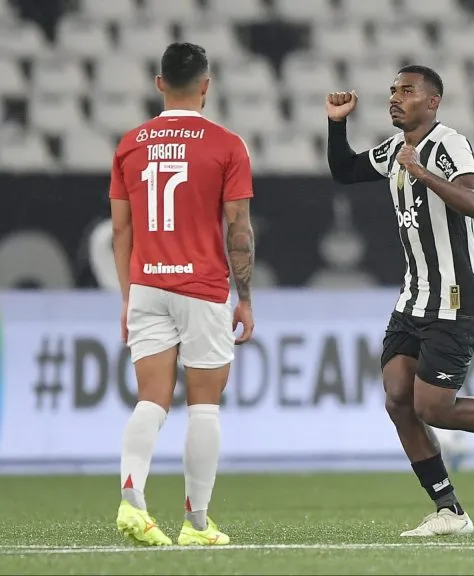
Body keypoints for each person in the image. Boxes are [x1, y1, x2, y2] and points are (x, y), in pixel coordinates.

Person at [325, 65, 474, 537]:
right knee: (398, 399)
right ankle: (449, 510)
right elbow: (345, 171)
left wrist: (423, 173)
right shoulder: (395, 148)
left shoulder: (448, 143)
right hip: (414, 298)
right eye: (393, 90)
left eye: (407, 91)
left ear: (432, 101)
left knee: (433, 407)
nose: (395, 97)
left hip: (456, 298)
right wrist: (337, 123)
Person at [109, 42, 255, 547]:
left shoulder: (130, 144)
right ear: (206, 86)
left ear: (159, 84)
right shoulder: (226, 145)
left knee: (151, 400)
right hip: (203, 287)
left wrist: (129, 296)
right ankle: (196, 523)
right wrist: (247, 298)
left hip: (147, 283)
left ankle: (132, 501)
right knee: (204, 406)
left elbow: (121, 232)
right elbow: (239, 227)